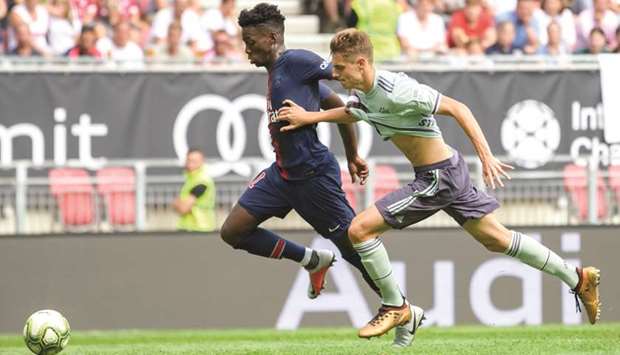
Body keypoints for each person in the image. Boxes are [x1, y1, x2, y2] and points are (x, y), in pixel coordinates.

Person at [277, 28, 601, 343]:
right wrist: (311, 117)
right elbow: (354, 112)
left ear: (361, 63)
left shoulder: (397, 89)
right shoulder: (363, 92)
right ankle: (578, 278)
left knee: (359, 230)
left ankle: (396, 306)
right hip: (449, 170)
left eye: (340, 68)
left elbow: (458, 108)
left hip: (437, 177)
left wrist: (486, 156)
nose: (334, 74)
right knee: (496, 239)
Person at [220, 3, 402, 342]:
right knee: (233, 231)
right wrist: (352, 154)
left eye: (250, 41)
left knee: (353, 248)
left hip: (314, 177)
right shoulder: (280, 73)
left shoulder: (298, 62)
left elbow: (347, 82)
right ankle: (312, 260)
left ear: (271, 37)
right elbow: (336, 105)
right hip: (282, 175)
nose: (246, 48)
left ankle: (399, 307)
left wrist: (352, 154)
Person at [174, 149, 217, 232]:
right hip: (187, 227)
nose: (190, 164)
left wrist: (179, 203)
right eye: (189, 160)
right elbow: (178, 205)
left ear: (202, 162)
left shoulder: (202, 181)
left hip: (201, 228)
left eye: (194, 161)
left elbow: (183, 208)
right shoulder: (190, 179)